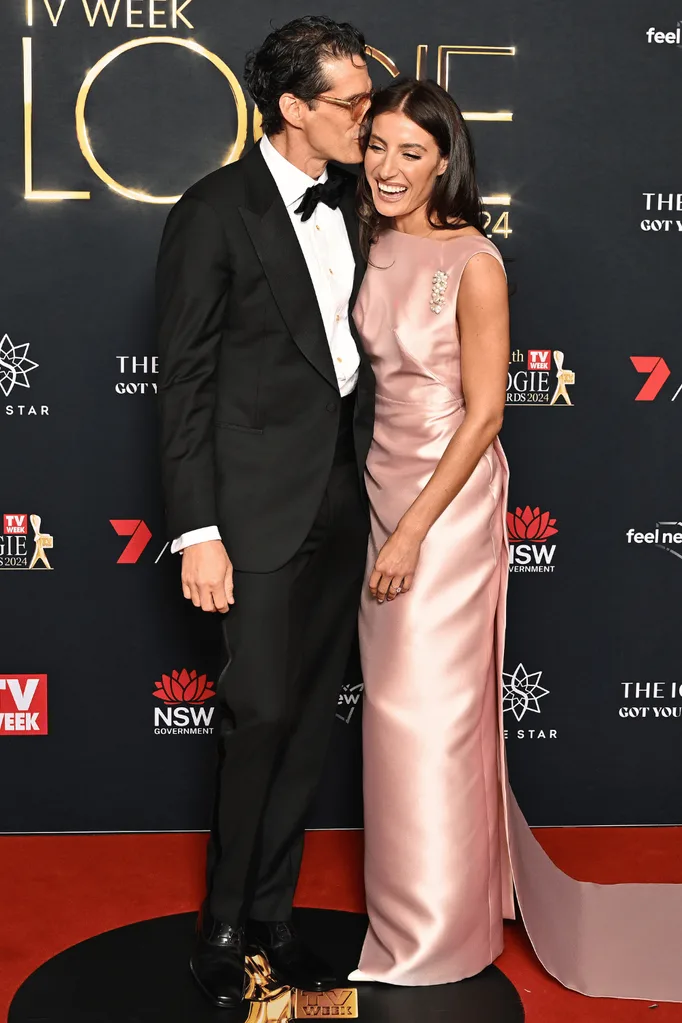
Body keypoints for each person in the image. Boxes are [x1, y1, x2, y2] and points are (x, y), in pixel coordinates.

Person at [348, 77, 682, 1003]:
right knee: (396, 714)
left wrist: (414, 529)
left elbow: (487, 412)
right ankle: (436, 901)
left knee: (428, 715)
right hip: (381, 485)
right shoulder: (371, 241)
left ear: (446, 160)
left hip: (444, 507)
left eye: (411, 153)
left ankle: (435, 934)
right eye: (376, 145)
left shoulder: (474, 262)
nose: (387, 167)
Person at [155, 17, 375, 1009]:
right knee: (262, 715)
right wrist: (198, 529)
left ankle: (277, 920)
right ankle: (225, 925)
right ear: (293, 108)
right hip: (252, 514)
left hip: (345, 498)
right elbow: (186, 384)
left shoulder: (363, 203)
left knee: (310, 721)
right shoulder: (214, 210)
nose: (367, 121)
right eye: (352, 104)